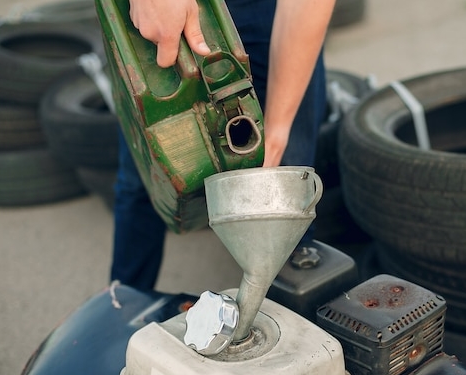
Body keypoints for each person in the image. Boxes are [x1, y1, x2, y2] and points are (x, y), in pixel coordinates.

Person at [111, 0, 336, 290]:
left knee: (287, 192)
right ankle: (122, 305)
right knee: (143, 179)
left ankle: (284, 312)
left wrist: (278, 131)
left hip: (266, 10)